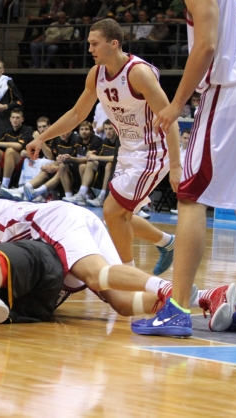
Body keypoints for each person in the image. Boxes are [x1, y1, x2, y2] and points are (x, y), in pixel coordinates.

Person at [26, 18, 182, 277]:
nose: (90, 49)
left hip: (152, 151)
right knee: (120, 216)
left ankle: (129, 277)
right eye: (89, 44)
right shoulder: (96, 74)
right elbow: (77, 114)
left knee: (112, 211)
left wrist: (176, 165)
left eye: (95, 44)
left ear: (113, 43)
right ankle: (167, 242)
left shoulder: (138, 73)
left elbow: (170, 118)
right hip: (128, 150)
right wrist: (42, 138)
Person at [132, 0, 236, 336]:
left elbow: (206, 45)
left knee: (191, 197)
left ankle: (179, 307)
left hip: (227, 94)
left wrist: (177, 103)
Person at [0, 176, 201, 322]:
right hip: (74, 218)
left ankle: (168, 287)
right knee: (121, 303)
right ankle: (201, 298)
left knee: (96, 275)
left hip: (56, 221)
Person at [0, 108, 33, 195]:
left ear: (22, 119)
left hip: (22, 160)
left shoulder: (27, 129)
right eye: (13, 117)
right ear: (10, 119)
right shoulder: (7, 130)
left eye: (17, 118)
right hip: (8, 160)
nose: (15, 120)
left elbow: (18, 146)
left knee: (10, 150)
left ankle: (4, 187)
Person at [65, 119, 119, 207]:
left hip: (119, 169)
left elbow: (117, 158)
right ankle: (82, 194)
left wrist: (96, 157)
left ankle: (102, 197)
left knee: (109, 165)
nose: (108, 131)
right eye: (106, 129)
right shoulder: (105, 141)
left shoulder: (120, 142)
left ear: (116, 129)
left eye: (110, 129)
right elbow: (97, 155)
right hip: (104, 168)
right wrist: (91, 154)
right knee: (89, 163)